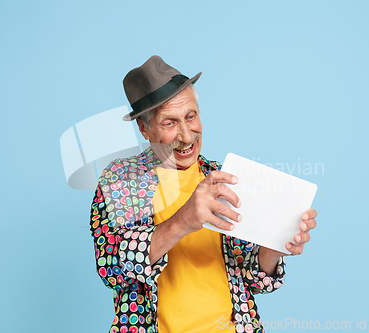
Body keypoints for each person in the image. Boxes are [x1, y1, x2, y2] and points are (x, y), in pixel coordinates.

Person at [89, 55, 318, 333]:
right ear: (144, 128)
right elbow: (112, 267)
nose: (187, 135)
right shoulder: (120, 179)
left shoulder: (222, 176)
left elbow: (252, 279)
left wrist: (272, 248)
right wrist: (183, 220)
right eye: (169, 123)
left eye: (191, 116)